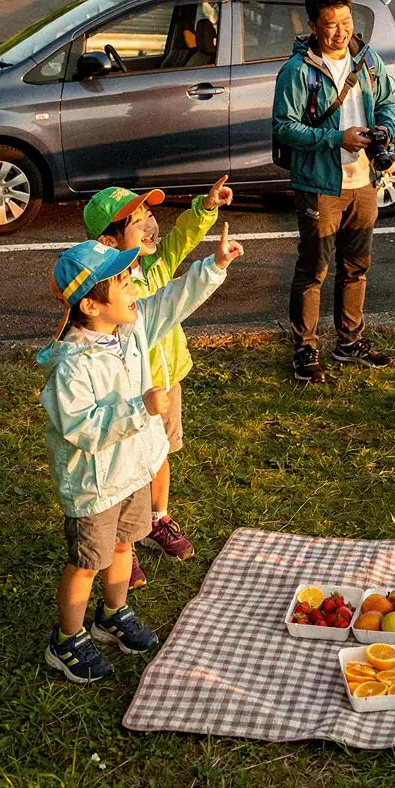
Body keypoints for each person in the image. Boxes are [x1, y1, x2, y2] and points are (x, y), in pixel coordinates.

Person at [39, 226, 243, 684]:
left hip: (131, 473)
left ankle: (113, 614)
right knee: (87, 561)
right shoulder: (71, 365)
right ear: (90, 306)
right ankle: (66, 640)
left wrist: (215, 267)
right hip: (94, 483)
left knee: (125, 544)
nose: (137, 289)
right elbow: (83, 429)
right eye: (126, 283)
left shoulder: (130, 329)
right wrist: (141, 409)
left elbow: (172, 300)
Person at [84, 176, 233, 587]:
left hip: (168, 383)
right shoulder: (106, 289)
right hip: (131, 394)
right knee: (128, 469)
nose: (151, 224)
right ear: (110, 243)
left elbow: (181, 241)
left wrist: (205, 208)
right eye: (137, 221)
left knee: (161, 452)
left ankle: (157, 518)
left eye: (149, 214)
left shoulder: (156, 265)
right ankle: (124, 547)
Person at [272, 0, 395, 384]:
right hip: (320, 183)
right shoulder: (297, 71)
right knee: (314, 268)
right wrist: (334, 139)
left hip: (364, 180)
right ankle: (306, 348)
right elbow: (283, 128)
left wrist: (385, 129)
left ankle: (349, 341)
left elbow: (387, 102)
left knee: (356, 265)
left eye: (346, 21)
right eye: (330, 24)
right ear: (312, 25)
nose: (341, 31)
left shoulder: (368, 59)